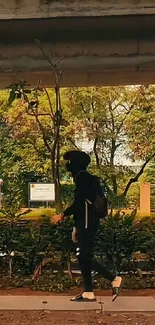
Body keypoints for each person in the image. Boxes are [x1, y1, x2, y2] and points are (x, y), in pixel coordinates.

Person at [61, 150, 122, 302]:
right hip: (86, 221)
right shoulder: (83, 177)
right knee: (83, 257)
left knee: (84, 255)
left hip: (88, 222)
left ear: (75, 162)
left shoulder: (82, 178)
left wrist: (62, 215)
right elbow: (83, 205)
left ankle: (114, 278)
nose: (66, 164)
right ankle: (88, 292)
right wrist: (76, 227)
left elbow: (79, 204)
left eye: (68, 161)